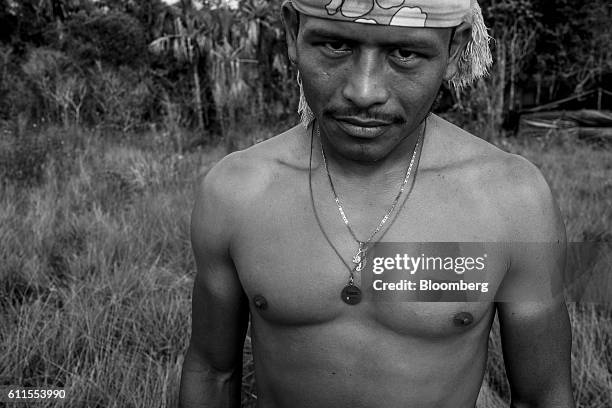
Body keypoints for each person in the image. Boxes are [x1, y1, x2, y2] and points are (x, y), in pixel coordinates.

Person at [179, 0, 575, 407]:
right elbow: (212, 371)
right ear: (293, 31)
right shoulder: (235, 191)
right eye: (335, 45)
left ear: (455, 52)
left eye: (404, 54)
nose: (363, 92)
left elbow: (542, 396)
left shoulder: (514, 199)